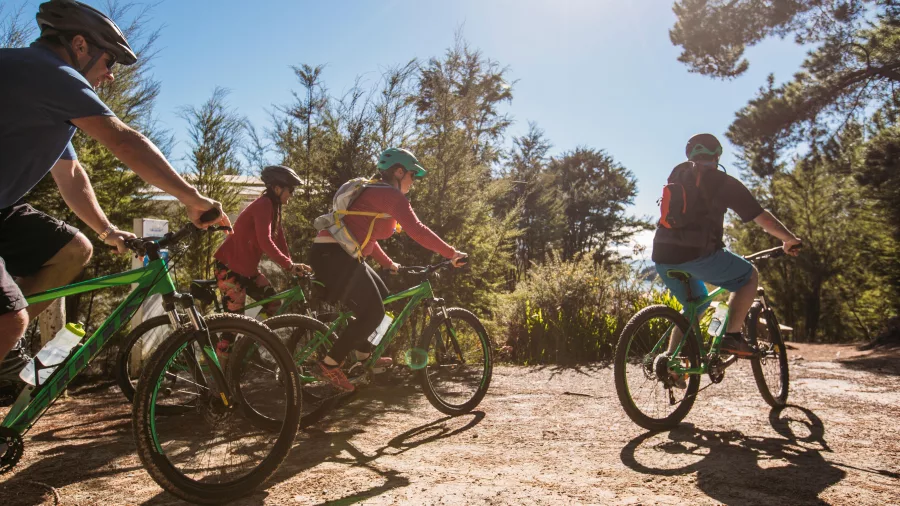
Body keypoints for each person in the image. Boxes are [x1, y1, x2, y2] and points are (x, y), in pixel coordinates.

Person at [0, 0, 229, 376]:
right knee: (11, 320)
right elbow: (123, 141)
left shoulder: (42, 92)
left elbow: (71, 175)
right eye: (109, 62)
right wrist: (193, 199)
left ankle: (7, 342)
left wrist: (106, 230)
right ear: (79, 45)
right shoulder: (52, 73)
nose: (110, 76)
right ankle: (8, 332)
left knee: (74, 250)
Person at [309, 148, 467, 391]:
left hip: (340, 255)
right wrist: (451, 253)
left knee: (383, 299)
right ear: (399, 171)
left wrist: (388, 264)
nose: (413, 181)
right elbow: (417, 229)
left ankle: (363, 357)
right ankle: (329, 364)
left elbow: (367, 238)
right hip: (334, 257)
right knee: (373, 312)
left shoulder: (375, 192)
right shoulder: (390, 195)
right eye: (412, 175)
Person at [652, 133, 801, 383]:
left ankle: (672, 362)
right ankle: (730, 336)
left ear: (689, 155)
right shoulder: (723, 182)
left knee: (696, 305)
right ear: (717, 155)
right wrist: (788, 239)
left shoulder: (677, 177)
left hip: (663, 256)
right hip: (699, 254)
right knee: (748, 275)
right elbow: (760, 216)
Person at [212, 165, 311, 356]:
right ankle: (220, 376)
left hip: (247, 271)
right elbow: (265, 241)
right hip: (230, 269)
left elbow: (279, 239)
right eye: (291, 189)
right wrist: (289, 266)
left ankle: (247, 345)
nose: (292, 194)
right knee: (233, 325)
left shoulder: (274, 208)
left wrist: (292, 266)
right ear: (277, 188)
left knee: (273, 304)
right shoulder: (264, 204)